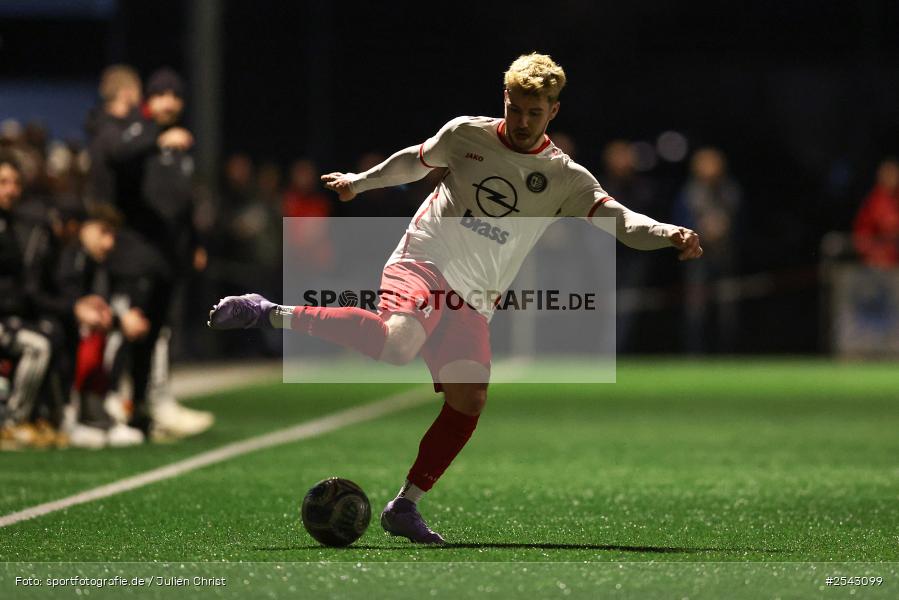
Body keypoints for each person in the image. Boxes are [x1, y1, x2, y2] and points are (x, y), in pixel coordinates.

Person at [208, 53, 702, 543]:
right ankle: (269, 313)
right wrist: (360, 183)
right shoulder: (467, 133)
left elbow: (622, 223)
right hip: (423, 259)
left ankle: (404, 505)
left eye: (537, 112)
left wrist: (668, 232)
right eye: (518, 108)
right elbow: (416, 159)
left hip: (473, 296)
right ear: (505, 99)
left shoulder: (564, 177)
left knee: (470, 399)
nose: (525, 121)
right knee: (398, 344)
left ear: (554, 111)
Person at [674, 147, 741, 353]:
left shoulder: (731, 192)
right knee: (696, 311)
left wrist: (725, 228)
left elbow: (742, 224)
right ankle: (695, 355)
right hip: (697, 258)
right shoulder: (689, 193)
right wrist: (701, 230)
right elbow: (678, 224)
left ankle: (727, 354)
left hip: (725, 256)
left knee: (727, 310)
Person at [853, 158, 899, 268]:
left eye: (894, 174)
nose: (893, 178)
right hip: (876, 260)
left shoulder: (894, 197)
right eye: (889, 173)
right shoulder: (877, 199)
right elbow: (888, 225)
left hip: (891, 259)